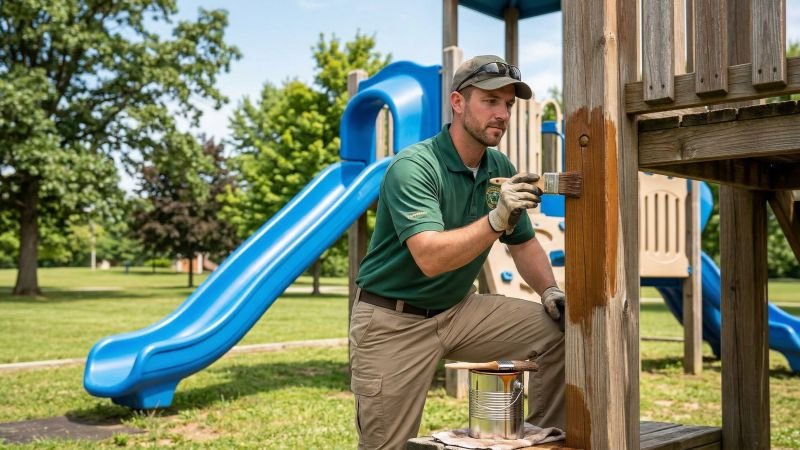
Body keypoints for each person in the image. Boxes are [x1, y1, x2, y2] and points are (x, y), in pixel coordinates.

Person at [349, 55, 566, 450]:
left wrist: (549, 290)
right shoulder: (414, 167)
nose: (502, 114)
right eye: (490, 101)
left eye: (508, 104)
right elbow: (430, 258)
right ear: (458, 102)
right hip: (392, 320)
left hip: (458, 310)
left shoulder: (498, 165)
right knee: (387, 446)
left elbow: (523, 242)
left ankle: (542, 442)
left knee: (559, 331)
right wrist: (496, 218)